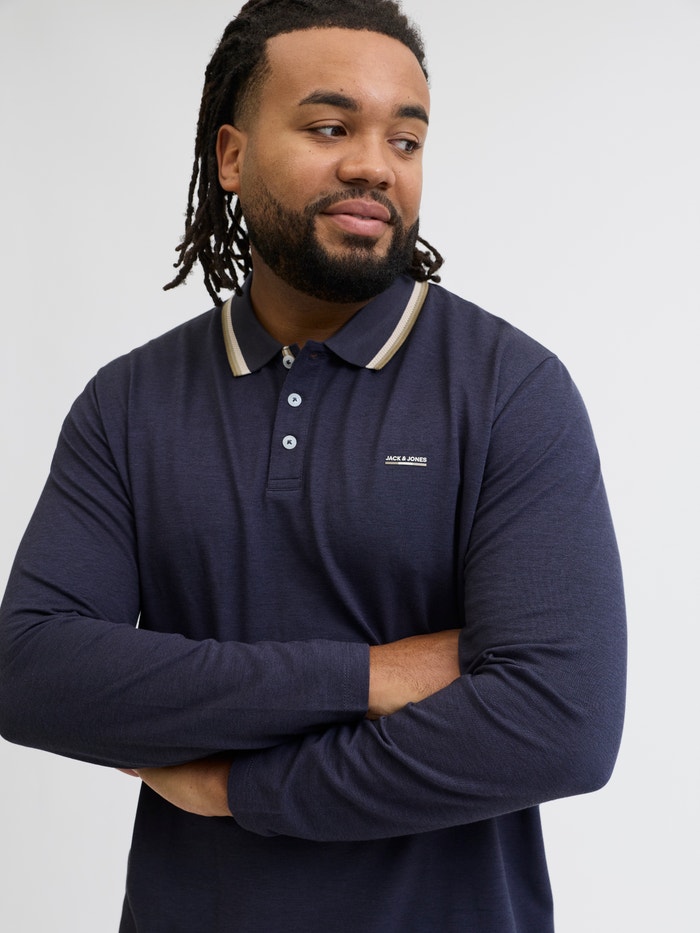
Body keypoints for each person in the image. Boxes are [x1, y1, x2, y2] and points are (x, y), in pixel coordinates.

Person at [0, 1, 626, 930]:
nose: (375, 164)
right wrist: (366, 676)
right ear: (232, 156)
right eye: (331, 127)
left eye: (405, 140)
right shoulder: (127, 402)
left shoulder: (510, 388)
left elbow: (560, 724)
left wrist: (242, 789)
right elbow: (33, 670)